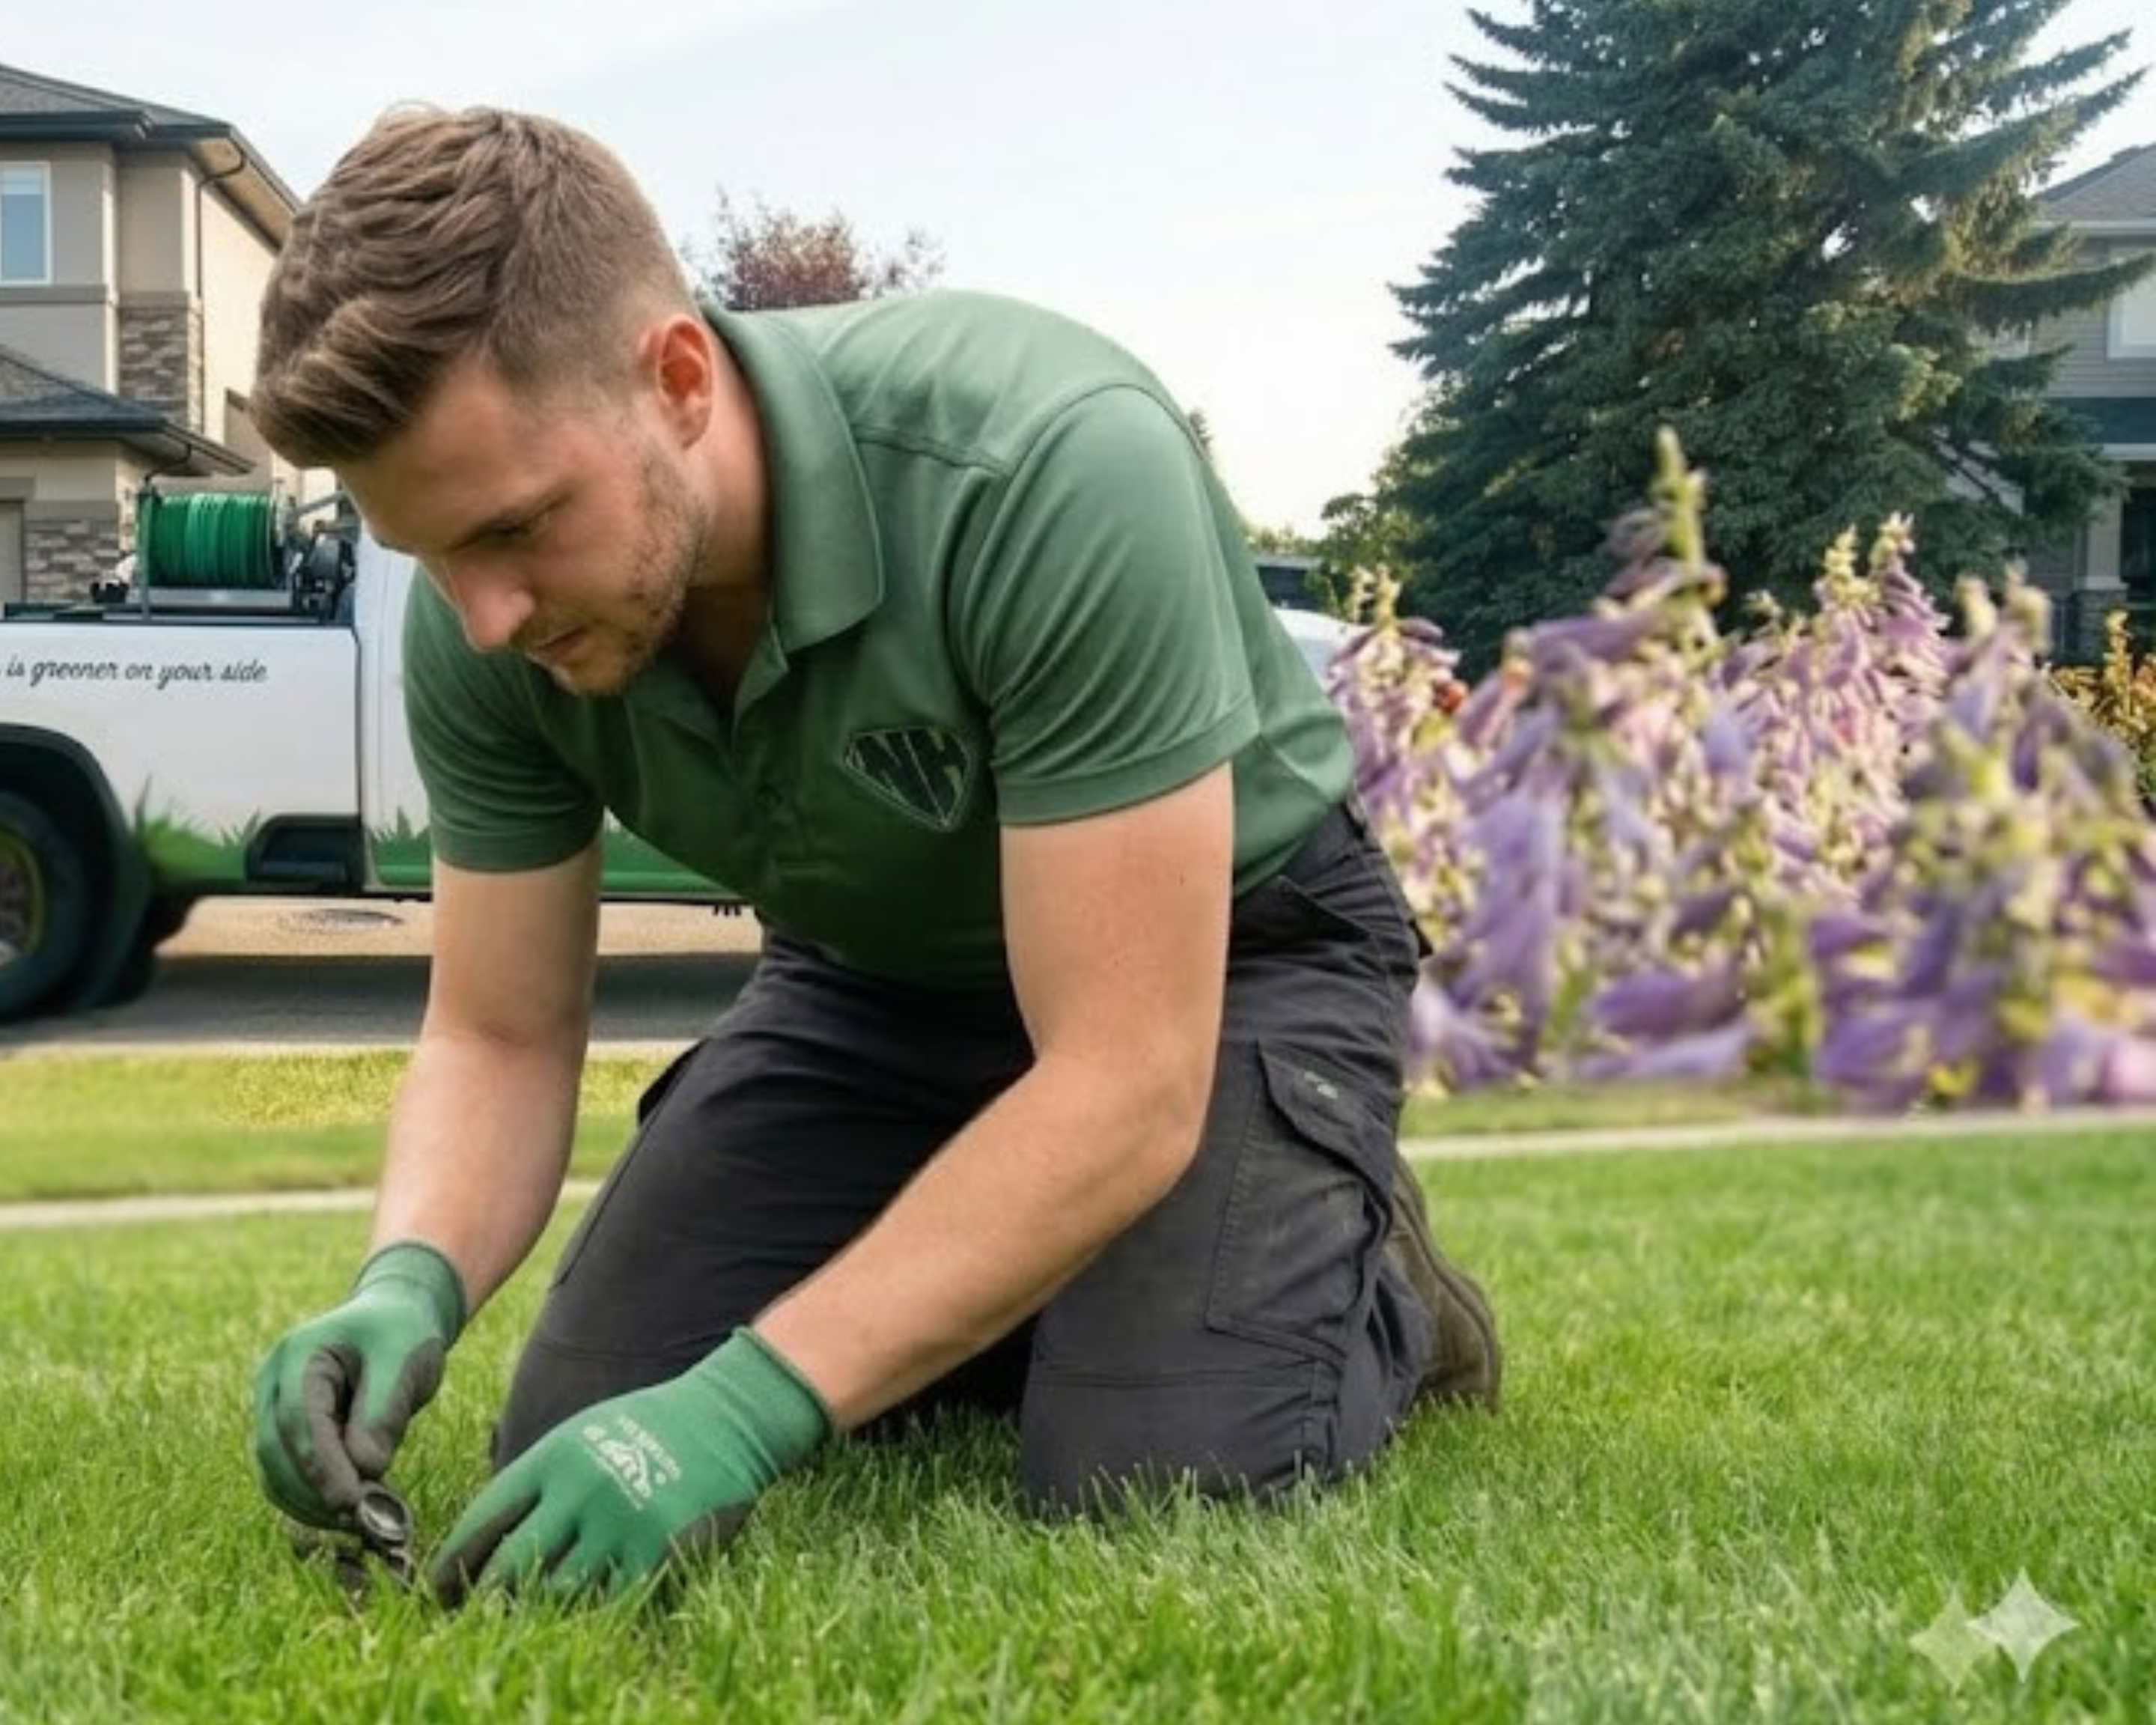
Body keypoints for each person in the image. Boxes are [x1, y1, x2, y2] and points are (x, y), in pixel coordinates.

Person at [246, 105, 1500, 1604]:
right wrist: (409, 1280)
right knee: (579, 1420)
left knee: (1149, 1472)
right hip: (873, 991)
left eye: (517, 528)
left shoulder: (1049, 465)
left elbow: (1119, 1076)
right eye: (429, 554)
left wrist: (743, 1407)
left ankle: (1369, 1288)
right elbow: (502, 1034)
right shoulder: (484, 624)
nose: (486, 617)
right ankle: (1057, 1271)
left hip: (1228, 970)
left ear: (682, 380)